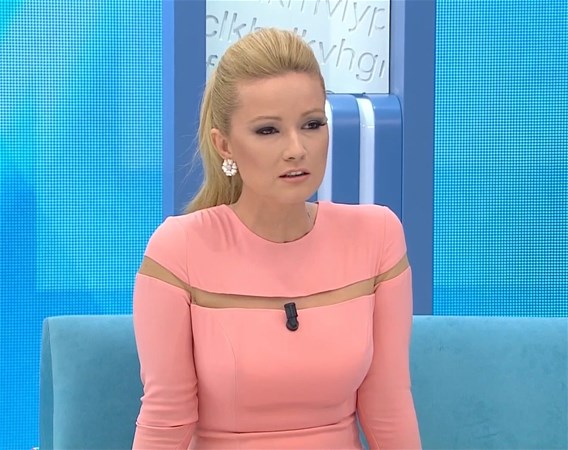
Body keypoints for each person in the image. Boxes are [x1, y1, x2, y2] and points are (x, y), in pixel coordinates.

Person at [132, 27, 421, 449]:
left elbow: (388, 406)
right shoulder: (179, 250)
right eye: (268, 130)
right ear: (224, 145)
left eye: (312, 124)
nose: (296, 149)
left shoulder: (378, 236)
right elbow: (165, 420)